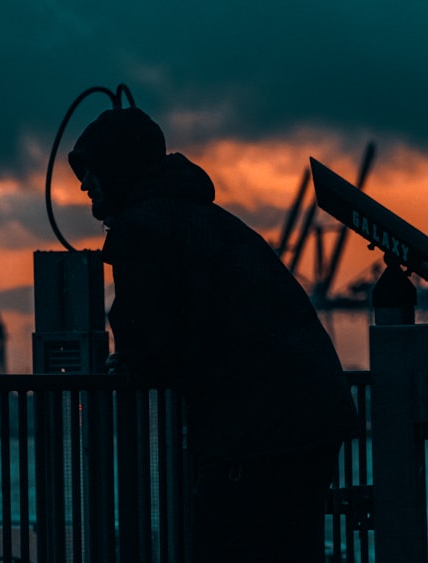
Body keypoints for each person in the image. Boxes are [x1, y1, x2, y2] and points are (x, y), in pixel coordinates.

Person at [68, 107, 359, 562]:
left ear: (117, 168)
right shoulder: (203, 218)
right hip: (309, 413)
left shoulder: (143, 228)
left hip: (257, 429)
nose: (85, 184)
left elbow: (146, 342)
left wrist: (128, 363)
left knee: (227, 541)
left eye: (90, 170)